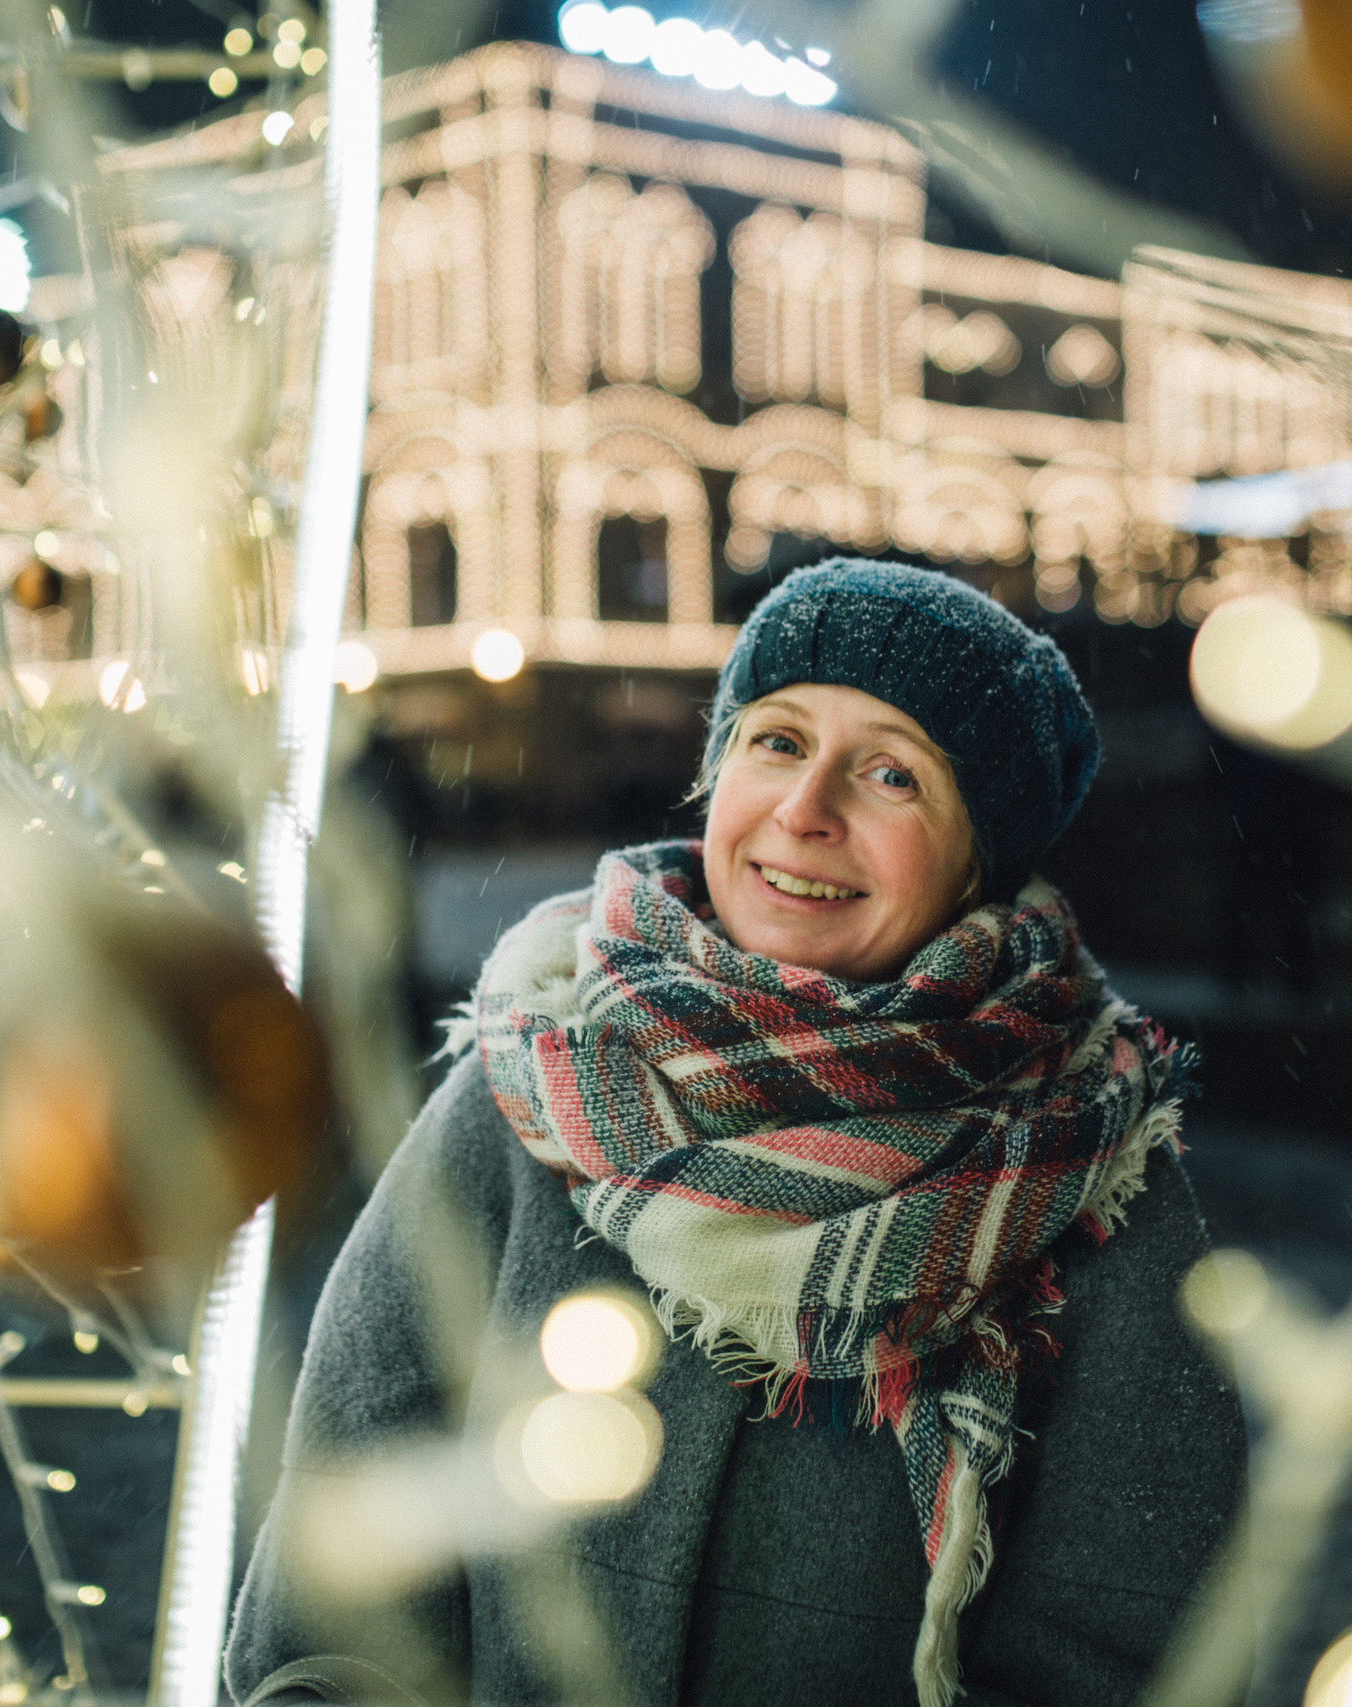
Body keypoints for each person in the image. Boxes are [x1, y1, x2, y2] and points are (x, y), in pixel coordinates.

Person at [226, 561, 1245, 1707]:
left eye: (891, 774)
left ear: (981, 863)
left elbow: (1140, 1650)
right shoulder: (537, 1076)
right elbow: (346, 1554)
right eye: (775, 741)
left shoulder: (1083, 1156)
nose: (805, 811)